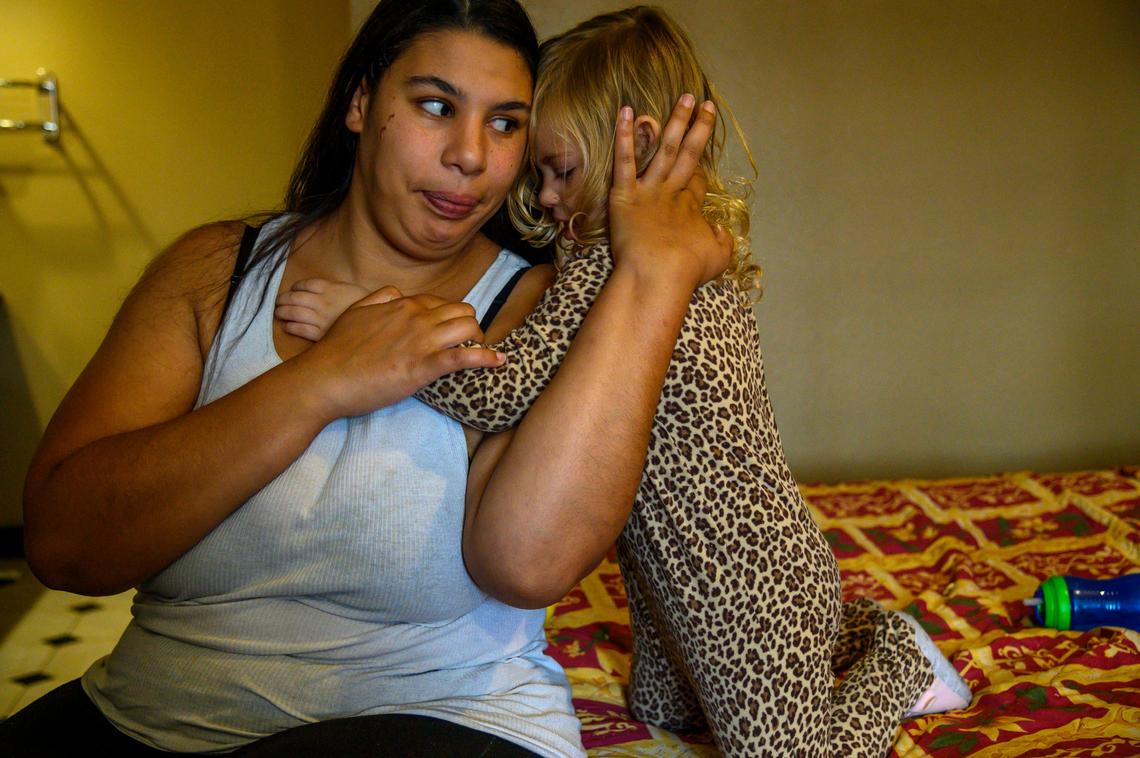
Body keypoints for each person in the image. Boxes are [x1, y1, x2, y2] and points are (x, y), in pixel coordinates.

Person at [7, 1, 729, 755]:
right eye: (435, 106)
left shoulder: (537, 305)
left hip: (445, 718)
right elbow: (63, 545)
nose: (471, 156)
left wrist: (653, 273)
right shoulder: (217, 273)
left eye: (506, 123)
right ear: (360, 103)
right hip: (150, 713)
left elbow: (529, 562)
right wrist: (321, 381)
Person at [277, 6, 972, 757]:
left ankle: (897, 661)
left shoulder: (610, 263)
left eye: (562, 172)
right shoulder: (633, 263)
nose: (544, 197)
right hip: (668, 578)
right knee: (660, 710)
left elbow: (502, 391)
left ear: (635, 152)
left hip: (749, 582)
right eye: (539, 173)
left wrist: (375, 327)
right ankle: (848, 626)